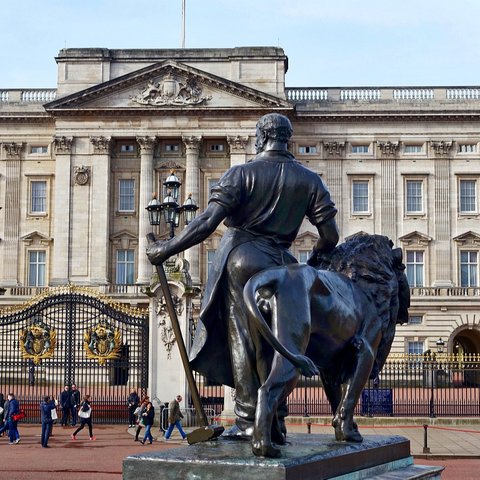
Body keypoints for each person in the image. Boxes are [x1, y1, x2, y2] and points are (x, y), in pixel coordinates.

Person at [147, 113, 339, 438]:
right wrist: (314, 262)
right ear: (287, 139)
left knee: (244, 338)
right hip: (284, 265)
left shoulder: (241, 174)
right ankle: (274, 419)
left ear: (261, 138)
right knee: (276, 343)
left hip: (243, 258)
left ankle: (249, 421)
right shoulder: (310, 180)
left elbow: (207, 223)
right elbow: (330, 236)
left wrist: (165, 249)